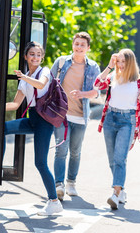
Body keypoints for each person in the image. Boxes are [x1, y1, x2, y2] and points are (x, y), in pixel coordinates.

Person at [0, 41, 63, 215]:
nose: (35, 57)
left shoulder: (44, 71)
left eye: (38, 54)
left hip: (44, 121)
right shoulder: (25, 77)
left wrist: (24, 77)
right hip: (32, 118)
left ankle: (54, 201)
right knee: (2, 128)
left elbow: (40, 85)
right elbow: (15, 104)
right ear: (26, 56)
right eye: (32, 54)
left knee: (40, 162)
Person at [94, 49, 140, 210]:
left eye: (124, 62)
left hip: (127, 122)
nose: (121, 65)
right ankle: (121, 189)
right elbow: (97, 84)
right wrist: (109, 66)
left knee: (119, 158)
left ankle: (115, 195)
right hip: (110, 119)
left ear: (130, 63)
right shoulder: (112, 77)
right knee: (112, 160)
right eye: (118, 61)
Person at [50, 32, 100, 201]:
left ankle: (71, 182)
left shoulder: (93, 67)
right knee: (61, 150)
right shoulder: (62, 62)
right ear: (73, 45)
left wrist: (82, 94)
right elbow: (49, 83)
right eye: (77, 43)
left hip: (80, 116)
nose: (79, 47)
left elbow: (96, 93)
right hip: (61, 114)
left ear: (88, 48)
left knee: (75, 152)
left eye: (82, 45)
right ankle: (59, 185)